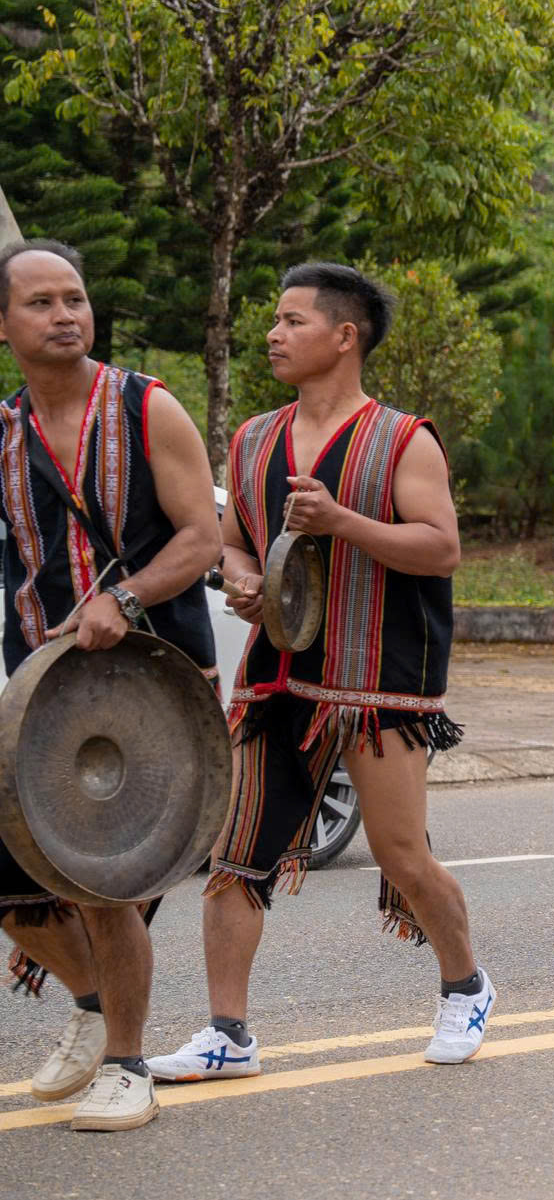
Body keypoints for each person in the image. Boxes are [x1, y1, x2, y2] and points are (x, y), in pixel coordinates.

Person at [153, 264, 490, 1083]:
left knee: (400, 853)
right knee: (235, 855)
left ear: (345, 336)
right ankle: (227, 1031)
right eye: (274, 319)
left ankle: (466, 983)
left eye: (292, 320)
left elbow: (442, 546)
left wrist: (342, 520)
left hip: (380, 680)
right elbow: (236, 536)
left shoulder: (403, 438)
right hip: (279, 676)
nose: (274, 333)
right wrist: (238, 575)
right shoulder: (255, 438)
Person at [0, 241, 221, 1132]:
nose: (65, 315)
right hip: (46, 694)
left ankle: (128, 1065)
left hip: (150, 690)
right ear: (4, 324)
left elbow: (201, 539)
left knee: (105, 888)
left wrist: (122, 598)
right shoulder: (4, 431)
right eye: (42, 302)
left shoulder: (146, 407)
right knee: (15, 886)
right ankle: (93, 1012)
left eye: (76, 299)